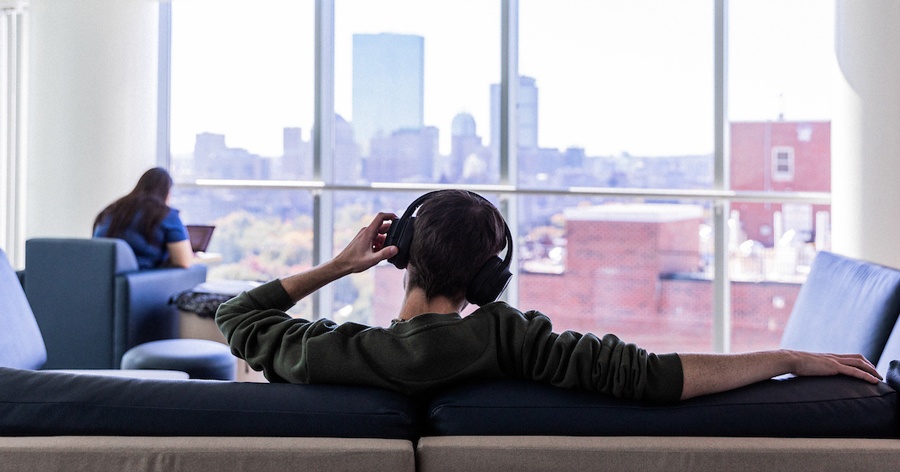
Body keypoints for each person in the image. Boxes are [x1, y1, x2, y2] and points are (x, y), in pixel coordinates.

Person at [216, 189, 882, 403]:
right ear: (486, 282)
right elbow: (656, 377)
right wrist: (785, 357)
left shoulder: (333, 353)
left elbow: (236, 314)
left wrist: (338, 265)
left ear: (400, 258)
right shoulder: (514, 340)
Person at [93, 167, 193, 270]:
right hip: (140, 281)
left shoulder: (112, 209)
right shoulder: (166, 214)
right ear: (166, 192)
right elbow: (183, 262)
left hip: (101, 278)